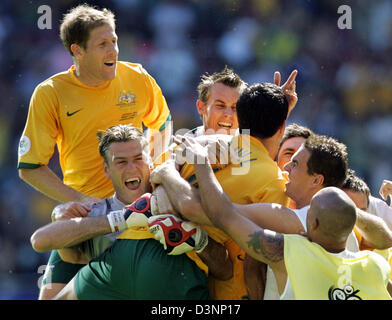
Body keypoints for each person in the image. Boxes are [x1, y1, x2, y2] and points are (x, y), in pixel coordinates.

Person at [18, 4, 171, 299]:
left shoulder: (137, 77)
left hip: (136, 212)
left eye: (114, 41)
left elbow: (163, 125)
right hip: (87, 218)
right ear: (77, 50)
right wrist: (80, 199)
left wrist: (158, 180)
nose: (113, 50)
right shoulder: (51, 93)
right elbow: (29, 167)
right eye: (102, 45)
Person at [159, 133, 392, 299]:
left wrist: (170, 168)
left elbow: (210, 212)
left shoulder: (292, 242)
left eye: (296, 163)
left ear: (316, 180)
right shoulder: (372, 264)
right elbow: (385, 239)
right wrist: (350, 212)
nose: (286, 166)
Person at [31, 125, 230, 300]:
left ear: (151, 161)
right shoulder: (96, 213)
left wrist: (199, 241)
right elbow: (40, 241)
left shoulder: (176, 197)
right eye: (121, 162)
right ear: (107, 170)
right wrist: (124, 219)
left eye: (138, 159)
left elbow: (224, 269)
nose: (132, 168)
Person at [152, 82, 297, 300]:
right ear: (282, 128)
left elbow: (161, 165)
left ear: (241, 117)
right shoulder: (274, 183)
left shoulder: (201, 145)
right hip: (202, 283)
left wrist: (164, 174)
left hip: (152, 255)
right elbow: (254, 266)